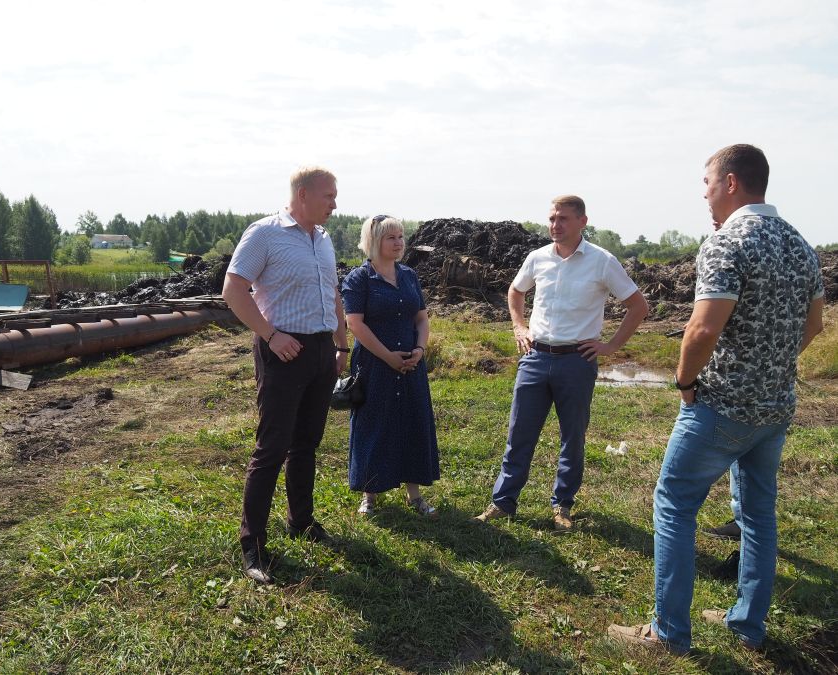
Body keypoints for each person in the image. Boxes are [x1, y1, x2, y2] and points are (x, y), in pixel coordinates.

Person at [608, 144, 824, 654]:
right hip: (774, 407)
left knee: (674, 505)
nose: (703, 195)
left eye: (706, 183)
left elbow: (703, 327)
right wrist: (770, 363)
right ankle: (748, 625)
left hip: (722, 405)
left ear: (730, 183)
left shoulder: (727, 242)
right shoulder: (800, 245)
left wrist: (685, 382)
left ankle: (668, 634)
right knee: (758, 515)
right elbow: (814, 324)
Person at [475, 195, 649, 531]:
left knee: (573, 437)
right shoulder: (538, 258)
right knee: (519, 433)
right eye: (552, 218)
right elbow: (515, 291)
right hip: (536, 358)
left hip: (576, 362)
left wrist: (611, 345)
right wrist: (519, 326)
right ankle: (502, 503)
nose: (556, 225)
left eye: (564, 219)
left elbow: (638, 306)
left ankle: (562, 506)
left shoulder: (602, 261)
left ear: (583, 222)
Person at [222, 166, 348, 584]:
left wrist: (340, 343)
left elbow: (332, 293)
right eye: (329, 195)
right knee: (272, 447)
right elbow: (234, 289)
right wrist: (270, 335)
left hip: (319, 350)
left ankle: (301, 520)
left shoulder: (323, 239)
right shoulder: (265, 233)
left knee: (306, 443)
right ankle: (253, 544)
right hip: (283, 349)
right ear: (304, 193)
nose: (334, 202)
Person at [341, 215, 440, 516]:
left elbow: (421, 318)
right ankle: (369, 494)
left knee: (412, 421)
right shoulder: (359, 279)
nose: (399, 243)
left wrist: (420, 349)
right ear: (374, 241)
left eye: (400, 236)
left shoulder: (409, 275)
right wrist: (387, 356)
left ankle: (415, 495)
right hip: (375, 365)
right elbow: (355, 324)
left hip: (411, 364)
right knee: (375, 424)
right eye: (390, 237)